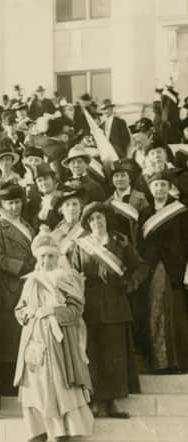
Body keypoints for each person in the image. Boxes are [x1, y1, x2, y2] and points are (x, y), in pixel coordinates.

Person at [14, 228, 94, 442]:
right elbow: (19, 309)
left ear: (57, 257)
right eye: (42, 256)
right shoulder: (30, 281)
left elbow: (76, 310)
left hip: (58, 338)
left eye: (50, 256)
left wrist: (52, 312)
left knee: (57, 382)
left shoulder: (65, 279)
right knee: (34, 385)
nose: (46, 260)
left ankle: (61, 430)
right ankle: (37, 430)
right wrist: (27, 314)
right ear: (37, 258)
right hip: (33, 338)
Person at [72, 202, 148, 418]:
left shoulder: (120, 243)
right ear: (88, 223)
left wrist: (130, 283)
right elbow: (74, 273)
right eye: (93, 219)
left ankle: (114, 401)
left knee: (114, 355)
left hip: (116, 304)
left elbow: (142, 267)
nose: (97, 222)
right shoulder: (80, 246)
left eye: (101, 218)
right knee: (93, 354)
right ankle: (97, 401)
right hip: (91, 307)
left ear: (106, 220)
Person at [0, 182, 35, 395]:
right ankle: (8, 384)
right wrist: (22, 267)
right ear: (2, 205)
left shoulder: (27, 225)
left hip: (29, 284)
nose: (14, 207)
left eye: (17, 202)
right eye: (10, 203)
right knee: (9, 335)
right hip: (10, 286)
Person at [138, 172, 188, 372]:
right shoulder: (145, 213)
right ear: (150, 189)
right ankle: (159, 362)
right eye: (155, 185)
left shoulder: (181, 212)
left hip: (175, 268)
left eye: (163, 185)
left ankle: (178, 361)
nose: (159, 189)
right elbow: (140, 244)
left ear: (169, 188)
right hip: (152, 269)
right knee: (154, 310)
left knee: (175, 312)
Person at [106, 159, 148, 248]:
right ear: (112, 180)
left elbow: (146, 224)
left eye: (123, 175)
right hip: (116, 245)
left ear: (130, 179)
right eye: (116, 176)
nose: (119, 179)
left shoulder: (140, 198)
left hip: (136, 243)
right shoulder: (108, 203)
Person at [52, 185, 86, 268]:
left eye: (75, 204)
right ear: (61, 210)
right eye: (67, 205)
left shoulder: (87, 228)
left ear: (80, 208)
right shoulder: (56, 233)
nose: (71, 208)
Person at [26, 162, 62, 232]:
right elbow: (33, 226)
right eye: (40, 180)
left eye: (46, 178)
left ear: (53, 180)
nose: (43, 183)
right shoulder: (35, 203)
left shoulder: (62, 196)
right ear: (37, 185)